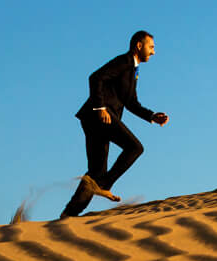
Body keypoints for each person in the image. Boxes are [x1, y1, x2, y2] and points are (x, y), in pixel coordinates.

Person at [60, 31, 171, 218]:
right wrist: (100, 107)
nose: (153, 52)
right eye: (151, 47)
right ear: (138, 45)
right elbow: (95, 77)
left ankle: (69, 214)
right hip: (99, 116)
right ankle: (104, 185)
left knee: (96, 171)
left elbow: (131, 103)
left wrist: (152, 116)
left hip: (95, 118)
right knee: (134, 147)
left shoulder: (133, 69)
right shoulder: (124, 62)